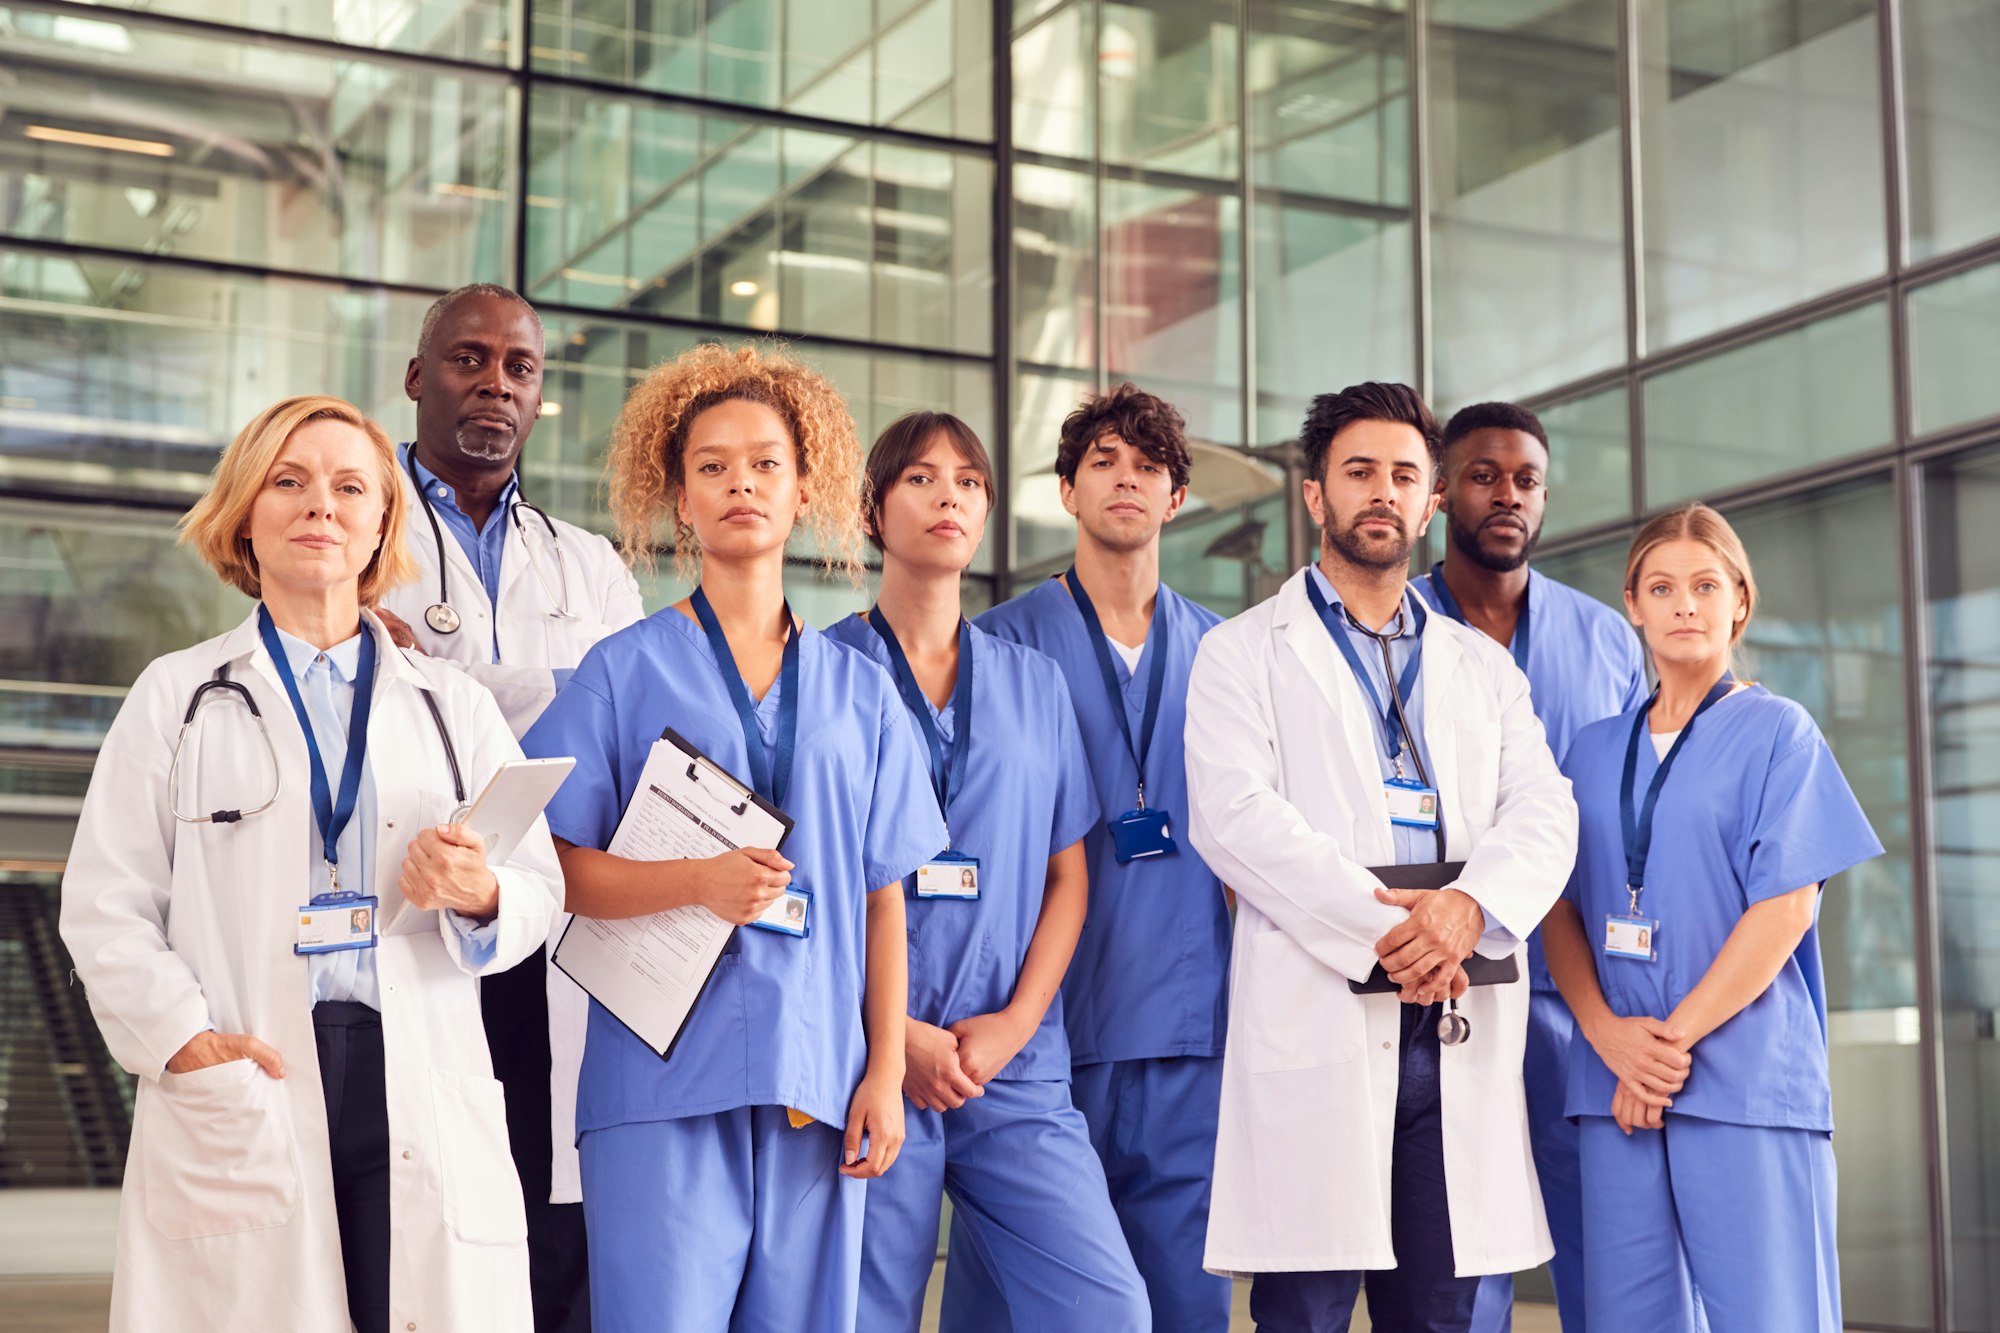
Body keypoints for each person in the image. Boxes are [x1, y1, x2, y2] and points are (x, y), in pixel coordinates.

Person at [60, 395, 562, 1333]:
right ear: (246, 514)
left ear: (381, 524)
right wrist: (182, 1037)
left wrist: (482, 892)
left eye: (348, 486)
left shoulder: (452, 705)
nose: (318, 505)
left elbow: (538, 888)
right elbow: (104, 902)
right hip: (254, 1060)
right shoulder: (176, 695)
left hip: (411, 1064)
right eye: (287, 482)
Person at [519, 343, 944, 1333]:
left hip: (817, 1079)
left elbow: (882, 897)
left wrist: (882, 1072)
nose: (739, 483)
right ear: (680, 500)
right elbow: (550, 870)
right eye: (711, 467)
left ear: (805, 492)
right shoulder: (620, 671)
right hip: (658, 1086)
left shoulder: (860, 691)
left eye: (764, 463)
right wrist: (694, 881)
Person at [1183, 382, 1578, 1333]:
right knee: (1307, 1312)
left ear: (1430, 501)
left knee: (1441, 1316)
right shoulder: (1243, 653)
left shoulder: (1482, 668)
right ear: (1315, 495)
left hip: (1457, 1022)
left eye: (1404, 475)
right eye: (1359, 472)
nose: (1382, 492)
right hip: (1324, 1012)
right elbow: (1235, 817)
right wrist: (1402, 930)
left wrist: (1467, 912)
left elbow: (1546, 809)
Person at [826, 412, 1149, 1332]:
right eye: (923, 479)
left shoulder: (1034, 683)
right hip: (867, 1061)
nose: (949, 497)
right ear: (874, 511)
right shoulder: (822, 671)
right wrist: (894, 1038)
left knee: (1108, 1309)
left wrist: (1013, 1025)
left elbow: (1067, 879)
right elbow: (799, 887)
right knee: (861, 1313)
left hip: (1010, 1065)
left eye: (969, 481)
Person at [1541, 503, 1882, 1333]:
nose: (1684, 605)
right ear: (1633, 605)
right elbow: (1557, 905)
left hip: (1741, 1080)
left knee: (1770, 1315)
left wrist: (1665, 1043)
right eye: (1662, 587)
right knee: (1628, 1318)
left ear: (1740, 603)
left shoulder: (1778, 733)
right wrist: (1609, 1036)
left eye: (1705, 585)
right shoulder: (1587, 749)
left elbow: (1786, 905)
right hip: (1615, 1083)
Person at [375, 284, 643, 1333]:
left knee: (548, 1222)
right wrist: (554, 687)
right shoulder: (358, 528)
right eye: (467, 359)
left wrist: (444, 674)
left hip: (553, 913)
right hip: (408, 910)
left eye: (518, 367)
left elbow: (624, 735)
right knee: (421, 1217)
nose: (495, 383)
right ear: (417, 376)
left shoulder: (590, 563)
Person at [943, 383, 1233, 1333]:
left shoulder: (1227, 657)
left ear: (1176, 498)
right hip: (1039, 1032)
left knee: (1183, 1298)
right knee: (1020, 1298)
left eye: (1148, 467)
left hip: (1189, 1027)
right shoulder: (995, 648)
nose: (1126, 481)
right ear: (1066, 490)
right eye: (1103, 462)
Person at [1413, 400, 1646, 1333]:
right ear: (1440, 492)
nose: (1507, 494)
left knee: (1611, 1243)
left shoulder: (1607, 641)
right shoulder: (1390, 632)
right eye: (1483, 475)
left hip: (1585, 1000)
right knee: (1461, 1262)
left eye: (1526, 479)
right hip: (1444, 991)